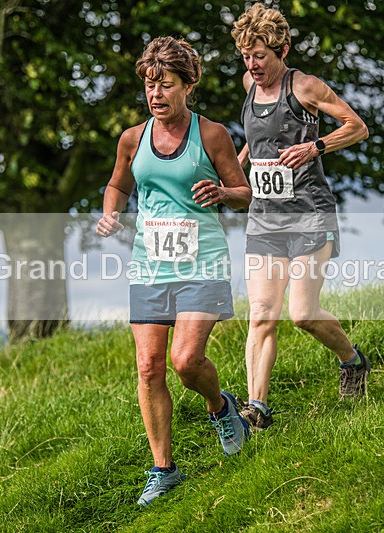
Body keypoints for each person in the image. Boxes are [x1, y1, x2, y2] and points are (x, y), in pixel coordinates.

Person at [96, 36, 252, 506]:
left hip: (201, 263)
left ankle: (222, 408)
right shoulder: (132, 138)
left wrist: (223, 194)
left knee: (186, 362)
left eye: (166, 85)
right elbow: (117, 185)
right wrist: (110, 213)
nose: (156, 94)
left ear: (189, 85)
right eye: (149, 85)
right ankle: (164, 469)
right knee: (148, 368)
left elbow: (243, 192)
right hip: (149, 265)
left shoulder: (212, 136)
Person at [231, 3, 371, 432]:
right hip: (265, 220)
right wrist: (234, 173)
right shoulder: (248, 86)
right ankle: (257, 409)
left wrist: (316, 147)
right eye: (247, 56)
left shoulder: (305, 87)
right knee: (261, 314)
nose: (253, 65)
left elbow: (357, 126)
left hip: (310, 214)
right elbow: (257, 143)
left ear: (283, 50)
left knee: (303, 314)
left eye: (261, 56)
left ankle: (353, 361)